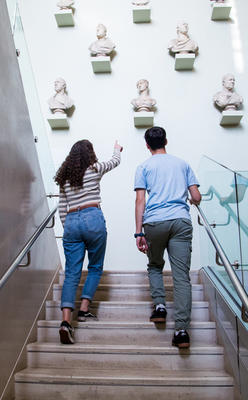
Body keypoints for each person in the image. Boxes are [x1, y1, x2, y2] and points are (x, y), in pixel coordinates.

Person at [134, 127, 201, 348]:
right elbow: (196, 196)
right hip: (181, 221)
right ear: (166, 141)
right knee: (181, 276)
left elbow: (140, 201)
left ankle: (160, 307)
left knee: (154, 265)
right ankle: (181, 330)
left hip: (154, 222)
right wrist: (189, 200)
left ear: (147, 145)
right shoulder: (182, 164)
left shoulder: (143, 166)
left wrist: (138, 232)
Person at [55, 139, 123, 344]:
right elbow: (114, 161)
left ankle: (66, 322)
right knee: (94, 267)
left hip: (72, 222)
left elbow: (61, 207)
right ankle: (84, 310)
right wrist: (117, 149)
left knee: (72, 274)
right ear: (89, 154)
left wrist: (69, 226)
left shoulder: (64, 178)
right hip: (93, 217)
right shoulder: (95, 169)